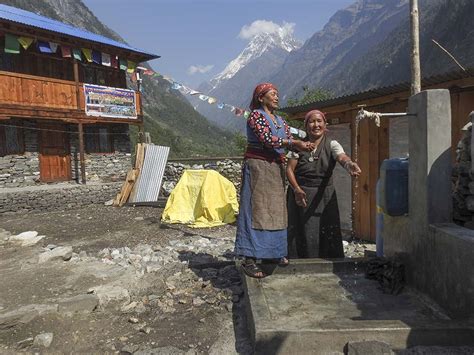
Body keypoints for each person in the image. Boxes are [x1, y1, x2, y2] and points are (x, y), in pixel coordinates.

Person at [235, 83, 314, 278]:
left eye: (278, 94)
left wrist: (302, 148)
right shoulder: (255, 116)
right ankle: (250, 258)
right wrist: (295, 142)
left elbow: (287, 145)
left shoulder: (281, 121)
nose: (277, 97)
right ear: (261, 98)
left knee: (276, 210)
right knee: (257, 210)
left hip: (276, 169)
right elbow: (267, 140)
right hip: (259, 168)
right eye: (273, 94)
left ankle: (273, 252)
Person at [286, 109, 361, 259]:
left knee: (326, 228)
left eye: (319, 121)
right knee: (300, 229)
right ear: (306, 126)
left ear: (325, 124)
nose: (316, 125)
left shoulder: (332, 144)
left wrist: (349, 164)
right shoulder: (298, 146)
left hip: (324, 194)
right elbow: (289, 170)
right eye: (312, 121)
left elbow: (341, 157)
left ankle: (328, 262)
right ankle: (299, 263)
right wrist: (296, 189)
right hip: (301, 194)